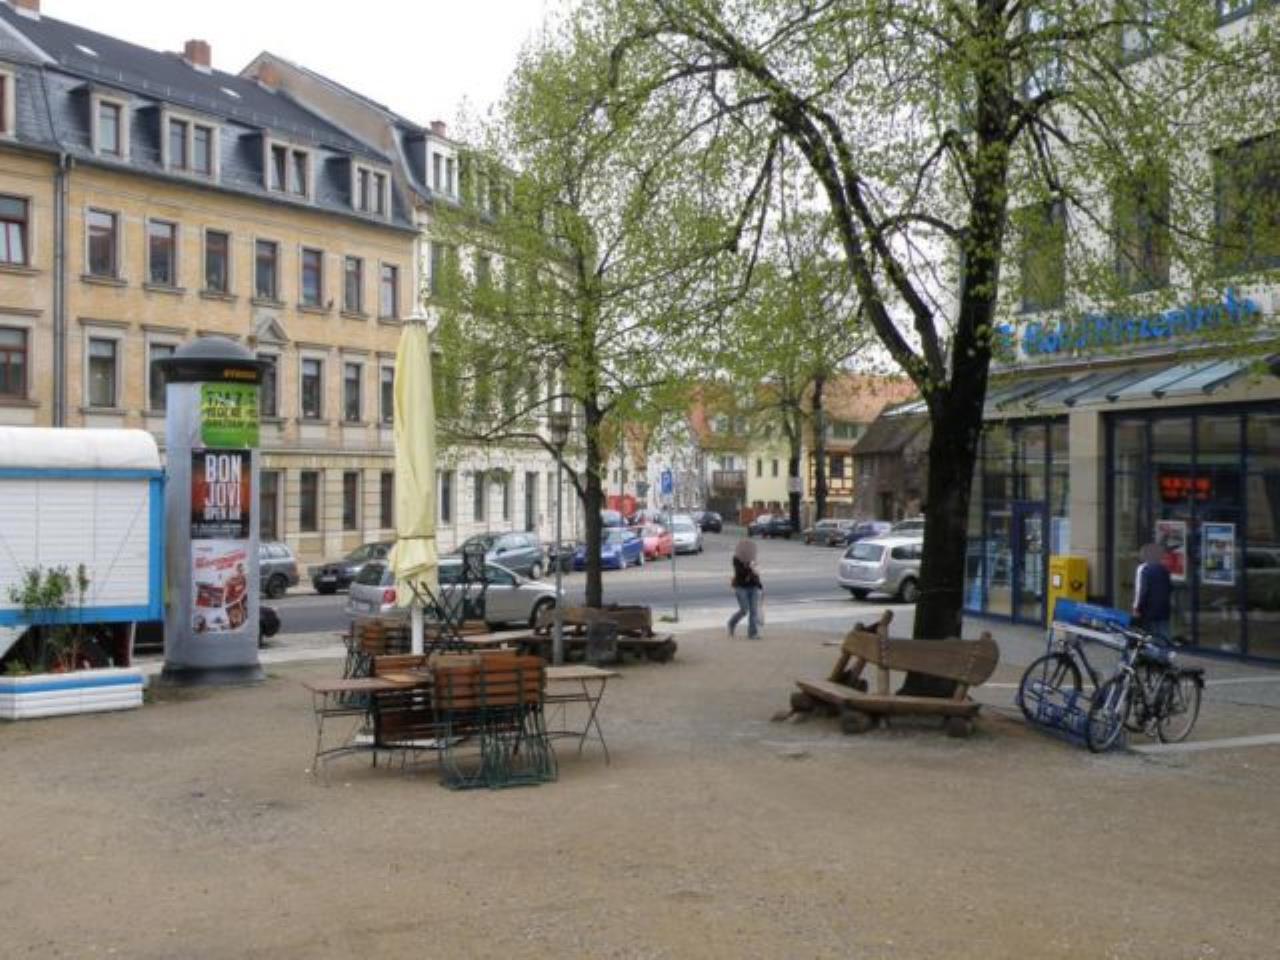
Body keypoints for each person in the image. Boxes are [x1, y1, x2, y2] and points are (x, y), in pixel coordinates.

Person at [1133, 542, 1173, 645]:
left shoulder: (1144, 569)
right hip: (1164, 608)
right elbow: (1170, 588)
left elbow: (1142, 591)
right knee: (1164, 635)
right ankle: (1166, 653)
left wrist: (1137, 608)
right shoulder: (1164, 569)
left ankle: (1153, 653)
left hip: (1149, 609)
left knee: (1148, 636)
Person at [728, 539, 763, 639]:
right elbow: (740, 573)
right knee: (744, 610)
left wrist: (759, 585)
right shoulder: (736, 559)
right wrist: (749, 567)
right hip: (741, 587)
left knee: (754, 611)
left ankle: (752, 633)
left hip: (753, 587)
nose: (748, 551)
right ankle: (731, 623)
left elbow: (756, 574)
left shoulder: (753, 559)